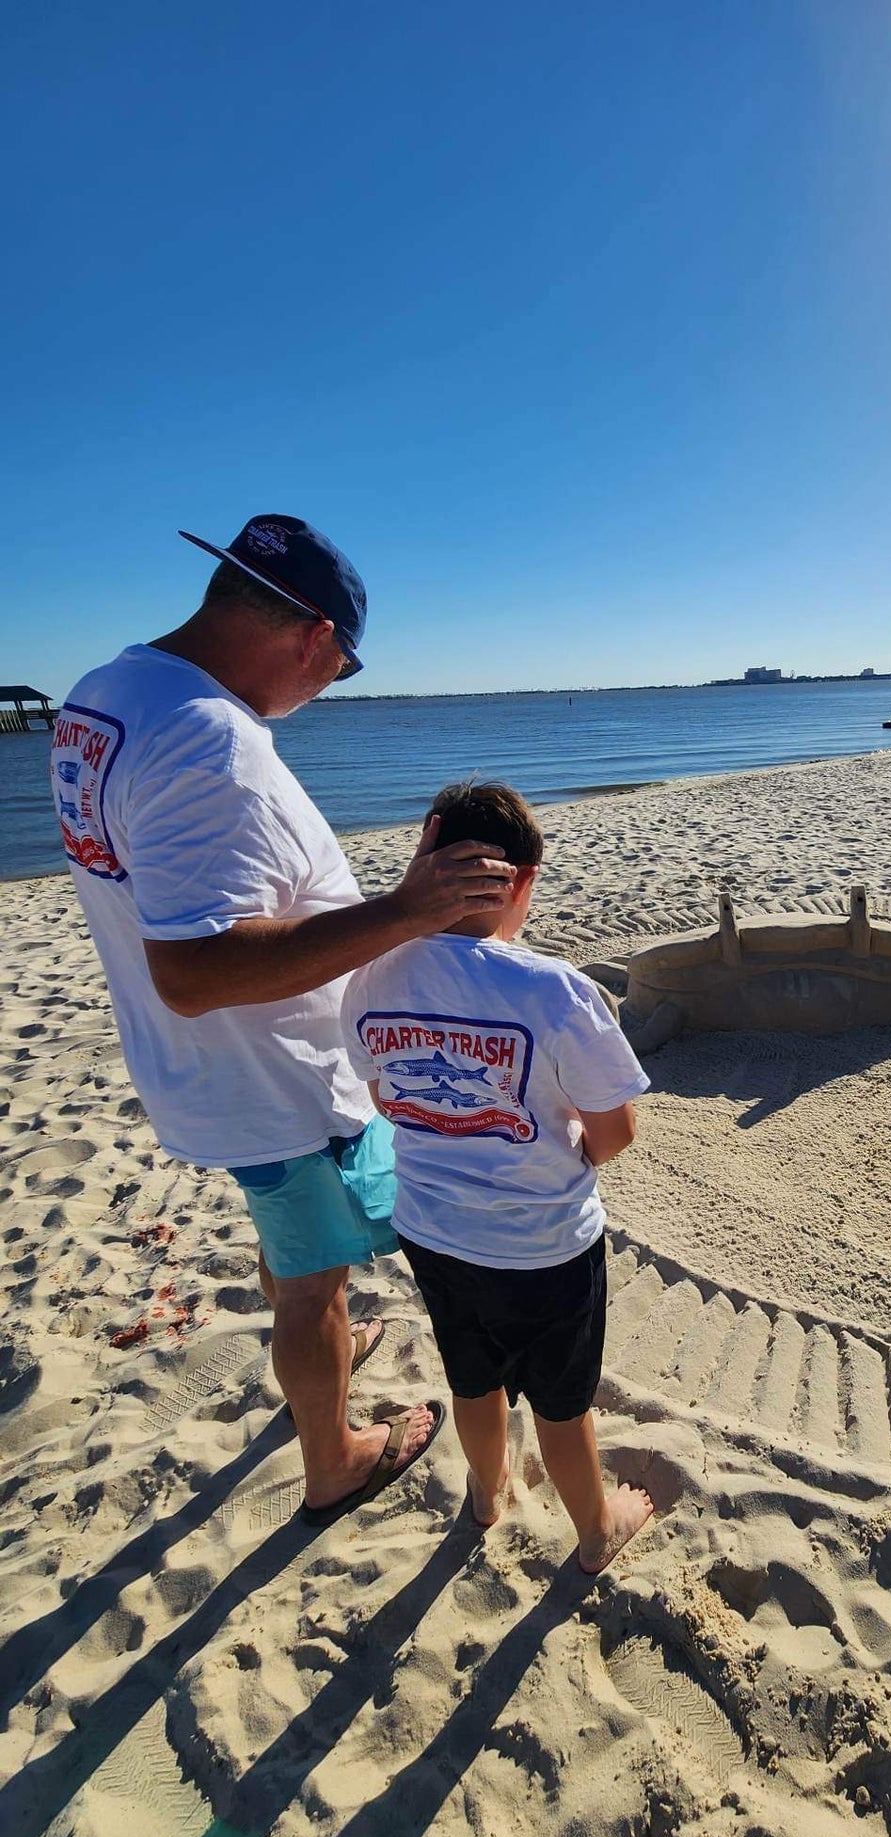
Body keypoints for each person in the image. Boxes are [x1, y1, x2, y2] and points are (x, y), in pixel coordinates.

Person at [51, 516, 515, 1526]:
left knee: (296, 1253)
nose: (325, 692)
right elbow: (192, 969)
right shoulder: (203, 738)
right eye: (340, 672)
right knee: (314, 1287)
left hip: (207, 1072)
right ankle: (334, 1458)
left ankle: (319, 1363)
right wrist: (404, 910)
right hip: (275, 1082)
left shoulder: (109, 689)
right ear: (313, 637)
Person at [341, 781, 655, 1573]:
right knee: (562, 1402)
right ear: (524, 880)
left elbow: (385, 1094)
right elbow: (615, 1129)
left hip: (435, 1232)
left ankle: (485, 1493)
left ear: (426, 861)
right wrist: (578, 1149)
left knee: (472, 1379)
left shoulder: (371, 975)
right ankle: (594, 1533)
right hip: (545, 1244)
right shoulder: (554, 990)